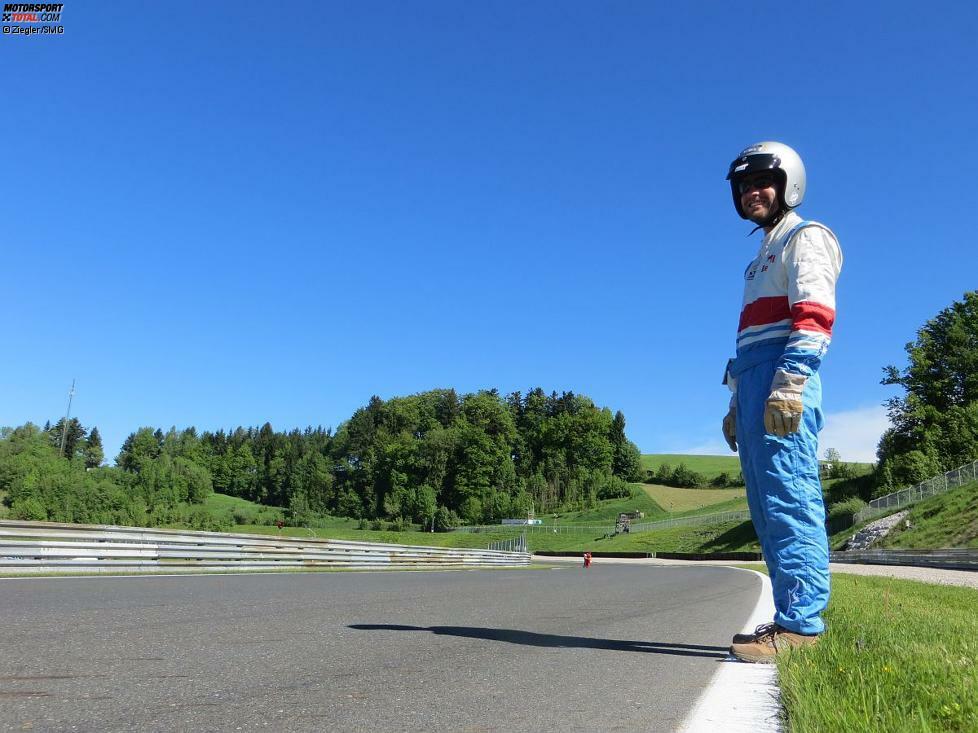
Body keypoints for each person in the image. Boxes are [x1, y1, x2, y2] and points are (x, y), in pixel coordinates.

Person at [721, 141, 843, 663]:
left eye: (763, 181)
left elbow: (814, 316)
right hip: (752, 382)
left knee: (790, 499)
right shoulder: (759, 257)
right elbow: (749, 333)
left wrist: (790, 382)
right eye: (744, 185)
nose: (753, 191)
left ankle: (803, 628)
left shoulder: (805, 237)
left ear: (788, 183)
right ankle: (789, 619)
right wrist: (734, 402)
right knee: (767, 508)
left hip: (781, 378)